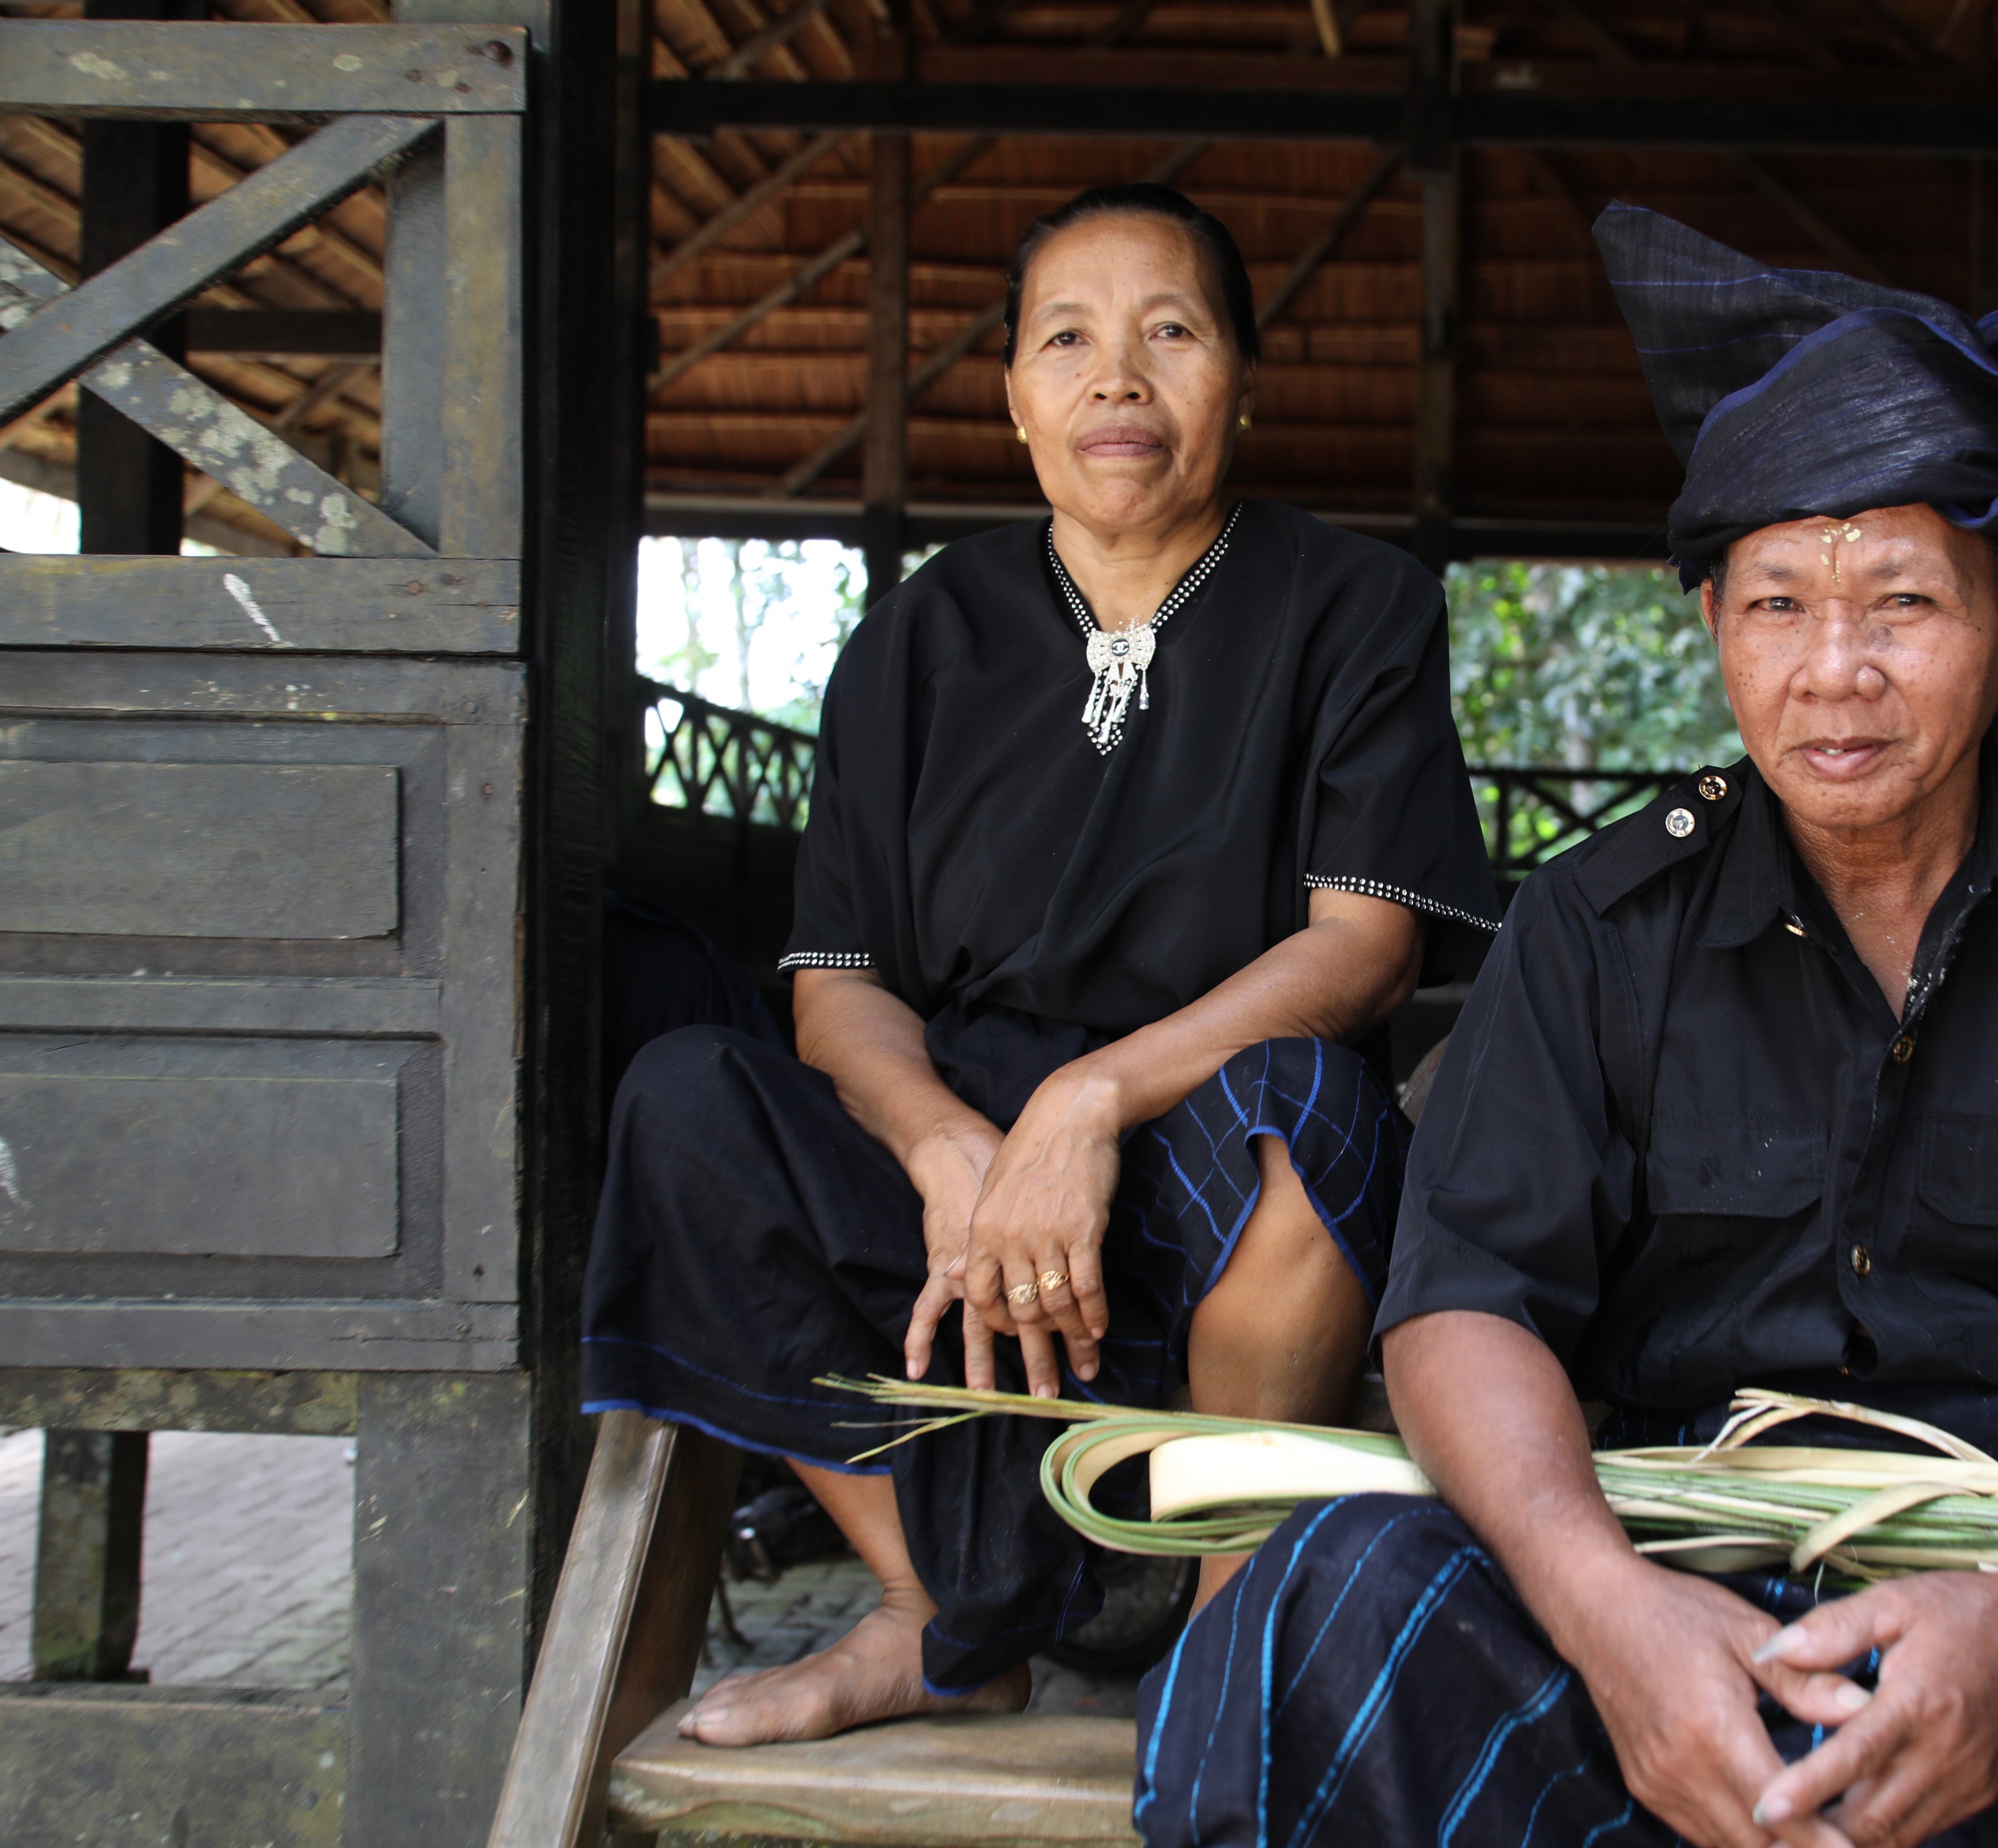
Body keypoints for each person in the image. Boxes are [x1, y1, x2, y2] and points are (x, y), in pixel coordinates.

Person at [1133, 207, 1998, 1847]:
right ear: (1715, 628)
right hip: (1670, 1640)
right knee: (1322, 1603)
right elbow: (1465, 1310)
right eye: (1781, 604)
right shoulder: (1598, 931)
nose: (1837, 671)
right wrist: (1610, 1618)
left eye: (1906, 607)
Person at [582, 183, 1497, 1744]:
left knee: (1323, 1108)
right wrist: (946, 1147)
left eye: (1172, 332)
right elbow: (839, 981)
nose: (1117, 377)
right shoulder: (920, 634)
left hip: (1213, 1141)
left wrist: (1090, 1103)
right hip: (966, 1169)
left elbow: (1364, 947)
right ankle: (933, 1620)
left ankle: (1227, 1626)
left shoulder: (1354, 607)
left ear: (1241, 381)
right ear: (1016, 399)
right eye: (1066, 338)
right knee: (686, 1099)